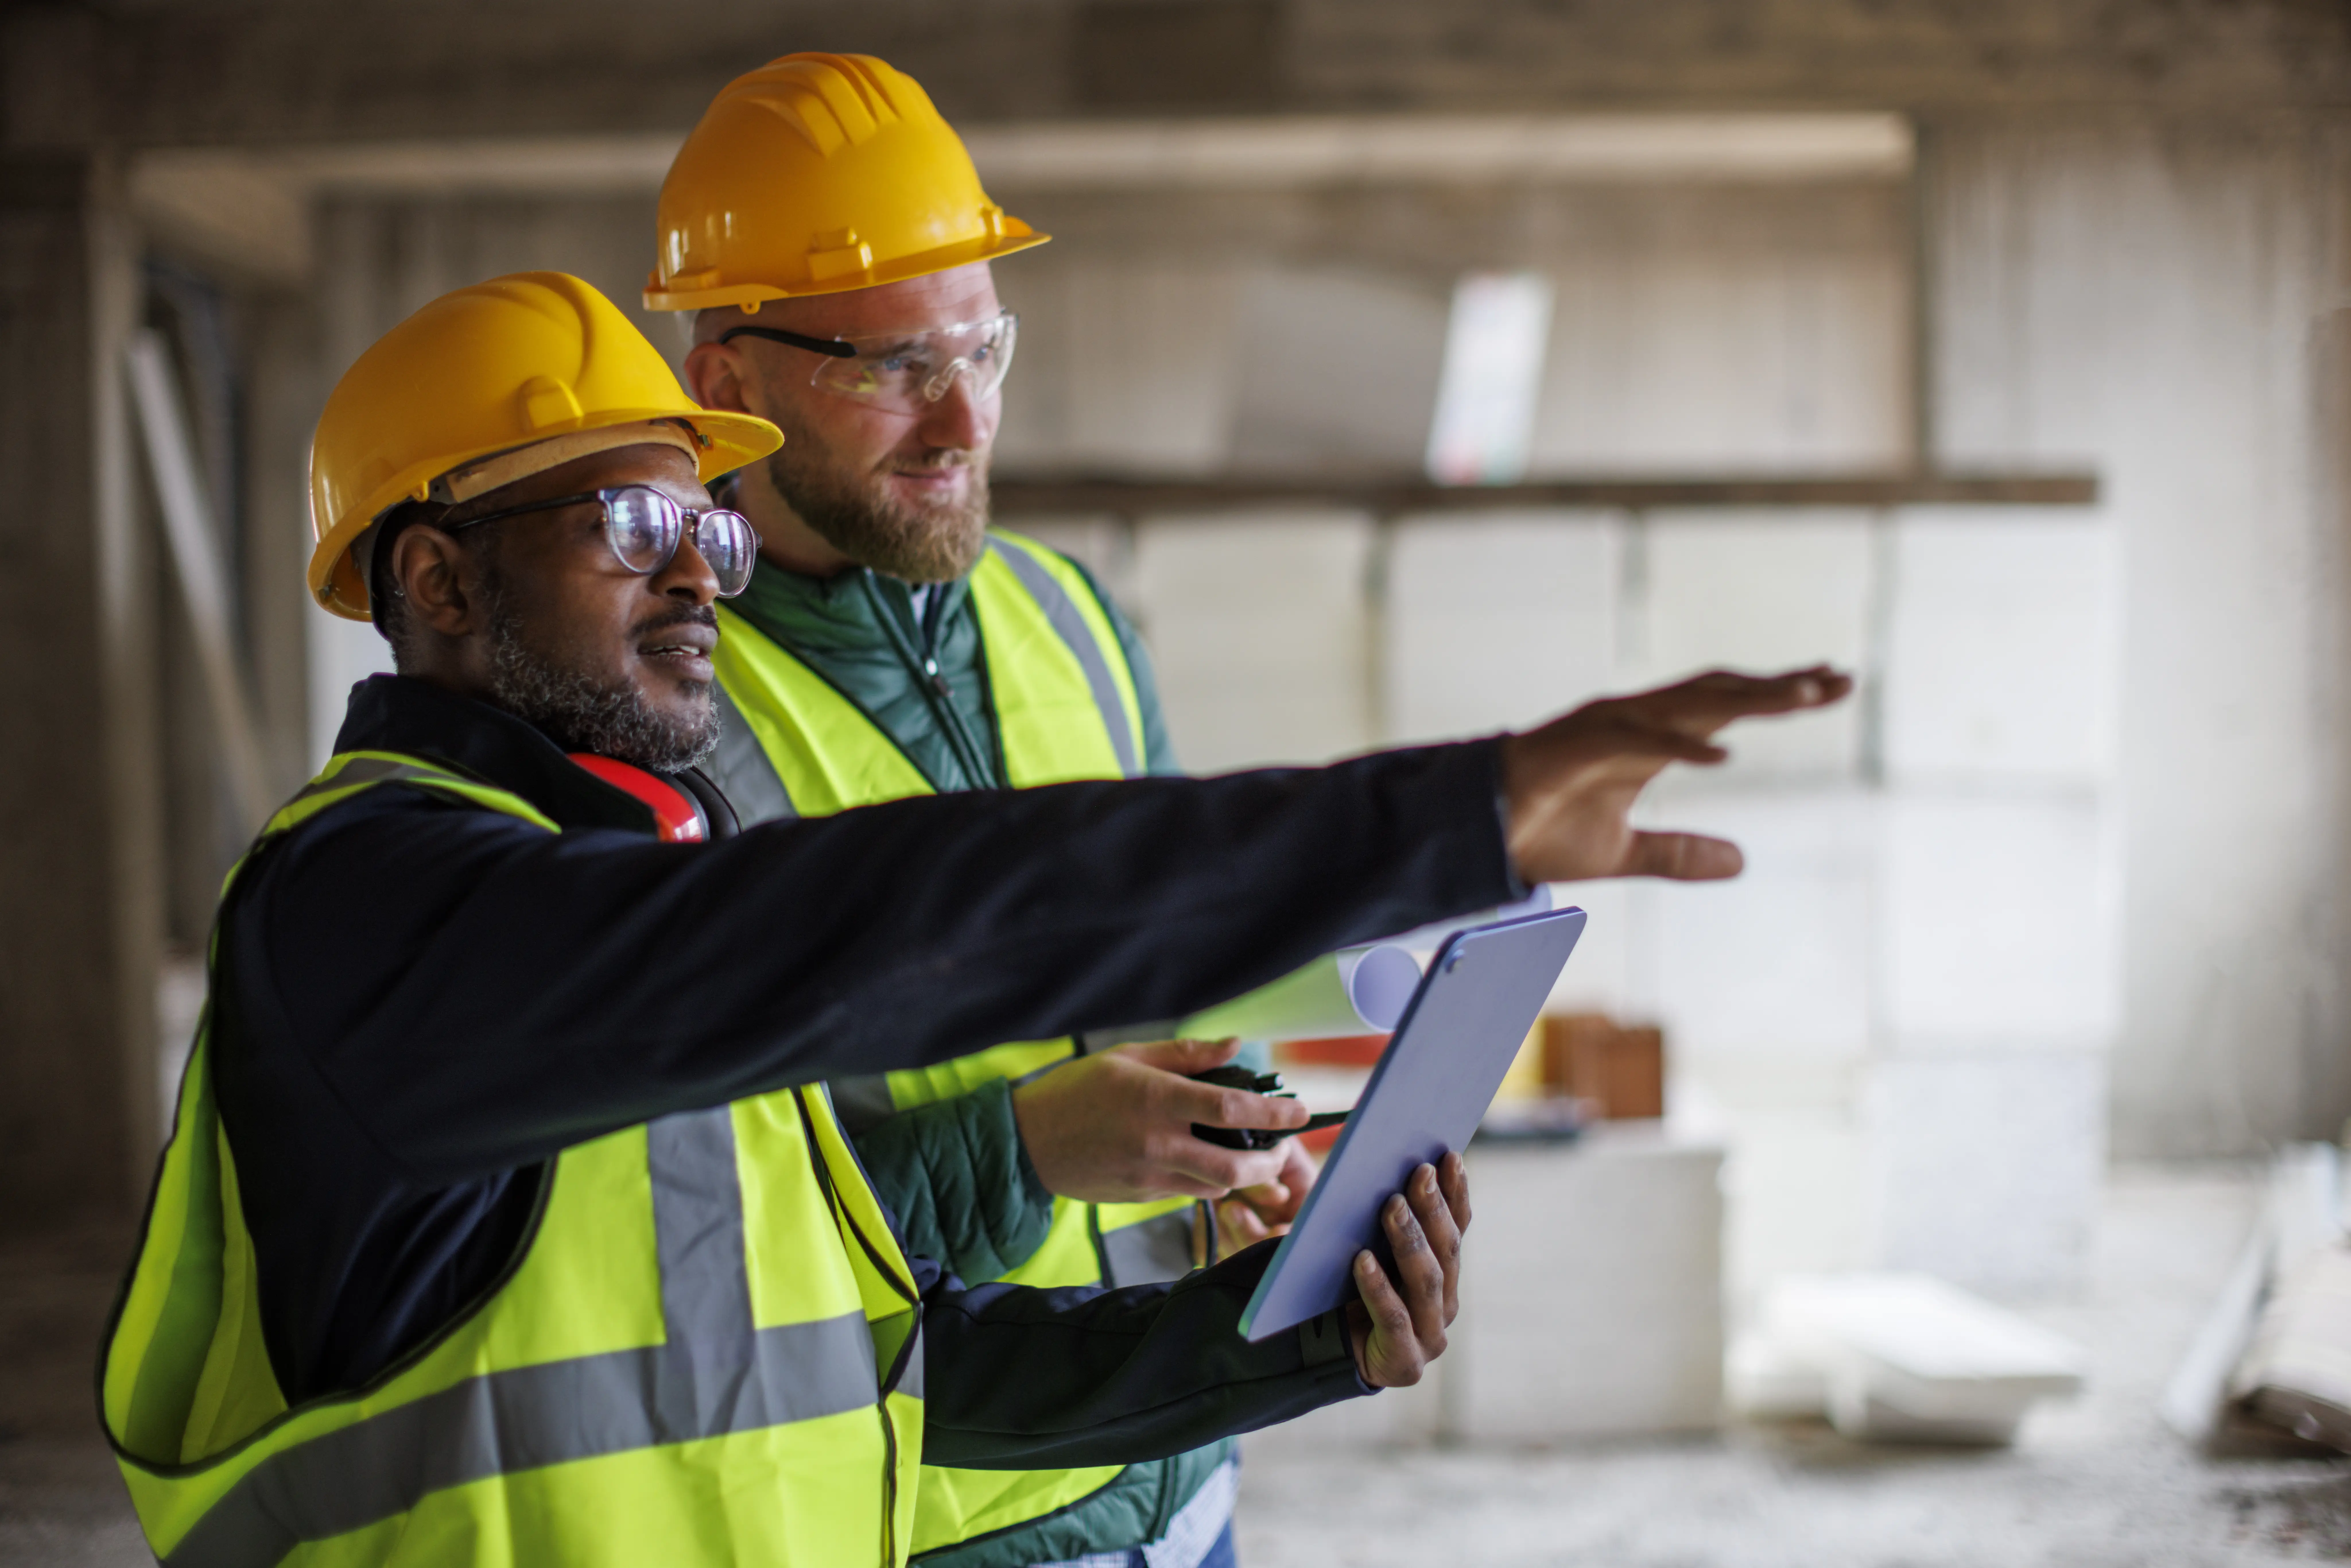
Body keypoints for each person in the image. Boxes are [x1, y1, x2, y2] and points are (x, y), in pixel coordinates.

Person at [99, 271, 1848, 1567]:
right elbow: (885, 921)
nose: (702, 568)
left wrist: (1302, 1332)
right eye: (633, 521)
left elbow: (893, 1374)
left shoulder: (620, 900)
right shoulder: (373, 914)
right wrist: (1446, 819)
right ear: (437, 578)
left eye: (708, 520)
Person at [644, 55, 1310, 1564]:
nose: (963, 418)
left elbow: (1185, 963)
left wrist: (1244, 1130)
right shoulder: (655, 724)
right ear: (727, 386)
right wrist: (1027, 1150)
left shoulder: (1071, 617)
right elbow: (680, 1235)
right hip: (926, 1522)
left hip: (1182, 1475)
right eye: (890, 365)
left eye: (982, 347)